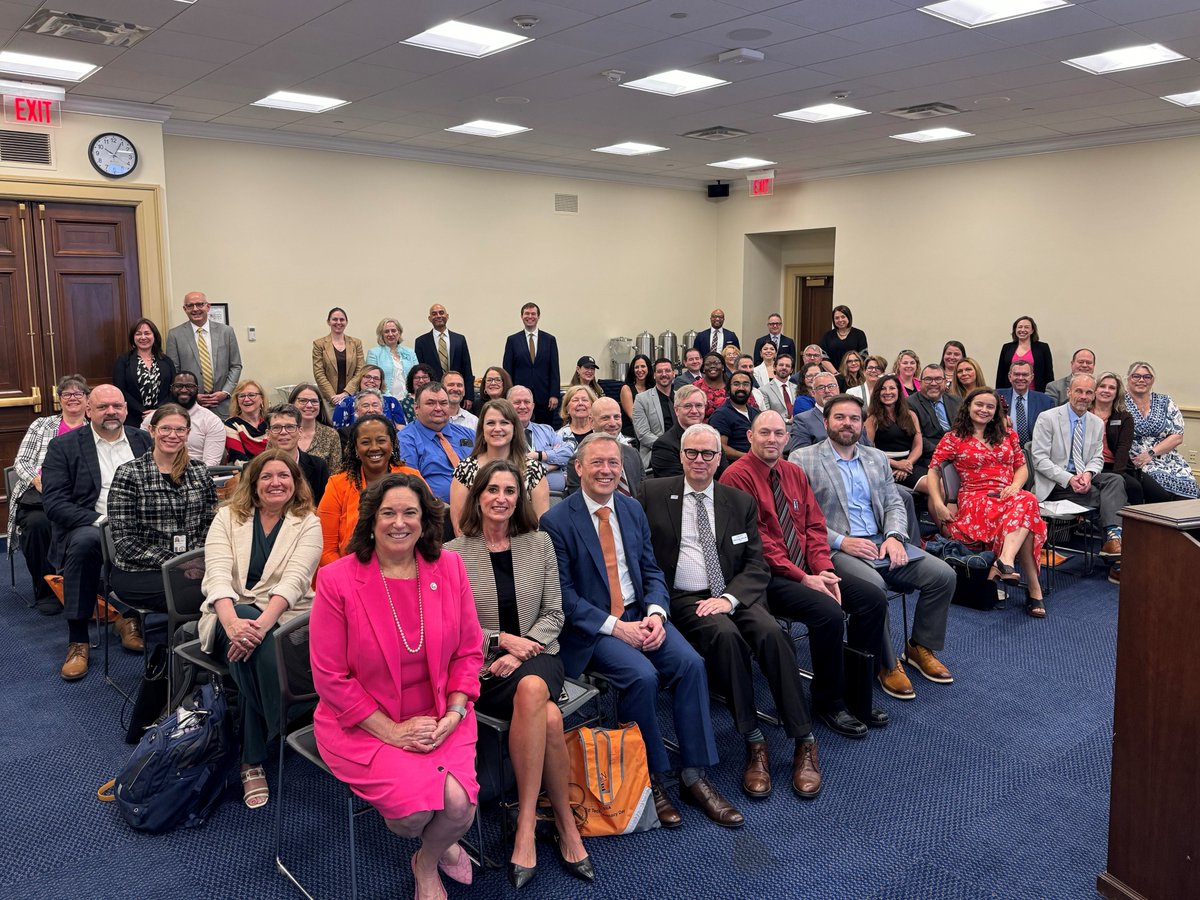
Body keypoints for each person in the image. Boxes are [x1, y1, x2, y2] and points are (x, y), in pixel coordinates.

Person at [542, 434, 739, 829]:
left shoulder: (632, 509)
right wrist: (618, 628)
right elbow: (564, 597)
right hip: (595, 629)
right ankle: (653, 777)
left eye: (614, 463)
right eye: (597, 463)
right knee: (642, 677)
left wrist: (655, 613)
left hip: (640, 614)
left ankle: (693, 775)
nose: (606, 471)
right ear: (578, 467)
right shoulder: (556, 521)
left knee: (691, 664)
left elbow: (651, 569)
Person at [310, 473, 482, 900]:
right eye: (388, 513)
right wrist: (393, 732)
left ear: (425, 521)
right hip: (365, 722)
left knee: (461, 808)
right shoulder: (337, 581)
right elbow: (330, 677)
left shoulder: (449, 566)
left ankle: (426, 862)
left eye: (410, 513)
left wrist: (455, 712)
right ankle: (432, 843)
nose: (399, 523)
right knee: (412, 814)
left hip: (442, 709)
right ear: (371, 521)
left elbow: (468, 651)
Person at [643, 425, 823, 801]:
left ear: (719, 458)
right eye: (692, 453)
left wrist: (730, 599)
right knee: (724, 637)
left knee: (774, 634)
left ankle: (803, 740)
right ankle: (754, 740)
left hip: (734, 594)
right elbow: (640, 556)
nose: (699, 461)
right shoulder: (654, 494)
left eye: (708, 454)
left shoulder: (737, 501)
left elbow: (757, 565)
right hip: (685, 597)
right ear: (680, 455)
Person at [447, 460, 594, 887]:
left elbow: (554, 612)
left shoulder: (540, 543)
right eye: (492, 489)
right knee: (547, 714)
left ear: (520, 498)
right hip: (484, 665)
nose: (501, 498)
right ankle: (565, 823)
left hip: (541, 654)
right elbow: (457, 626)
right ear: (478, 496)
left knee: (532, 684)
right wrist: (500, 642)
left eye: (510, 491)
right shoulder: (456, 552)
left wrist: (523, 647)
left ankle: (525, 824)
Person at [720, 411, 889, 738]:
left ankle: (858, 692)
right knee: (828, 611)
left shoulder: (794, 472)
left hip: (809, 568)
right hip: (766, 577)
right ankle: (828, 701)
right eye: (764, 433)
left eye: (778, 434)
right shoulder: (735, 477)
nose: (772, 439)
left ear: (786, 438)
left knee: (872, 598)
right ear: (750, 437)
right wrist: (804, 577)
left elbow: (814, 526)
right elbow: (758, 542)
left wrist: (823, 568)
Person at [795, 396, 956, 700]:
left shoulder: (875, 458)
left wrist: (895, 535)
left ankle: (919, 646)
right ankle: (885, 662)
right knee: (874, 588)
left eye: (854, 419)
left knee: (943, 575)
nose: (848, 424)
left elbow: (895, 502)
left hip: (882, 542)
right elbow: (800, 517)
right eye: (840, 417)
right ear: (826, 421)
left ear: (862, 424)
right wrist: (842, 542)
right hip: (838, 548)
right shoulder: (803, 459)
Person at [201, 449, 322, 809]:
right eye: (266, 476)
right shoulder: (227, 518)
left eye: (283, 476)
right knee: (241, 612)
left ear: (295, 483)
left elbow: (296, 582)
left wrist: (256, 628)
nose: (275, 483)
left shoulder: (308, 521)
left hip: (285, 616)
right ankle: (288, 719)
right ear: (253, 485)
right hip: (228, 615)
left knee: (248, 658)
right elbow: (217, 574)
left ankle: (252, 760)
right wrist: (234, 623)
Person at [41, 384, 152, 680]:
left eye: (117, 406)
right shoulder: (64, 446)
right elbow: (54, 504)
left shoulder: (143, 440)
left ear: (126, 410)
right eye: (103, 407)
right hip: (91, 524)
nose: (111, 412)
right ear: (89, 411)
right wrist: (103, 520)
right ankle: (78, 640)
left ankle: (129, 618)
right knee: (85, 545)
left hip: (141, 523)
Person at [927, 388, 1048, 617]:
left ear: (996, 412)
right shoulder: (953, 438)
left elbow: (1021, 467)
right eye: (979, 405)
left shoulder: (1008, 435)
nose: (984, 410)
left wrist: (1015, 486)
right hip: (975, 501)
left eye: (990, 407)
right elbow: (933, 471)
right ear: (968, 407)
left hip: (1007, 497)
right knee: (1028, 508)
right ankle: (1032, 589)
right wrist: (938, 503)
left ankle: (1006, 561)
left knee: (1024, 502)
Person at [107, 403, 218, 648]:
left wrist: (197, 560)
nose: (172, 435)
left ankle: (193, 653)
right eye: (166, 428)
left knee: (227, 587)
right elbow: (125, 542)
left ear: (188, 433)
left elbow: (211, 524)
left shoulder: (199, 472)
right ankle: (183, 660)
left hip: (195, 565)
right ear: (153, 431)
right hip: (139, 571)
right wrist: (178, 563)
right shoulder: (130, 474)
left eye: (180, 430)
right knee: (203, 595)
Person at [8, 374, 90, 614]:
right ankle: (47, 589)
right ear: (60, 399)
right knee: (38, 525)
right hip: (39, 493)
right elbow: (21, 461)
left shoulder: (94, 427)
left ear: (87, 400)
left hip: (80, 496)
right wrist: (37, 479)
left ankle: (81, 585)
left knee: (84, 526)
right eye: (67, 394)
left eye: (78, 394)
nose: (72, 398)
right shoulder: (42, 425)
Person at [1031, 374, 1126, 559]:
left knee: (1115, 480)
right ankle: (1115, 555)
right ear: (1069, 392)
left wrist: (1088, 474)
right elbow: (1039, 460)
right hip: (1056, 483)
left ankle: (1113, 543)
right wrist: (1069, 478)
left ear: (1094, 396)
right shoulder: (1048, 418)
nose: (1084, 396)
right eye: (1079, 391)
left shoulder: (1096, 423)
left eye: (1089, 392)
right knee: (1109, 499)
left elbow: (1097, 458)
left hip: (1083, 477)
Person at [319, 415, 422, 566]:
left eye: (381, 440)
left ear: (392, 444)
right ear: (355, 448)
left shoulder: (412, 477)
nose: (374, 447)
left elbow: (430, 530)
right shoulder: (337, 485)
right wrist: (347, 579)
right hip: (352, 575)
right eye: (365, 442)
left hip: (407, 569)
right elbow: (326, 550)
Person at [449, 398, 549, 534]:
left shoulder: (534, 470)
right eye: (490, 423)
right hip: (475, 550)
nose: (497, 428)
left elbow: (540, 526)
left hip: (524, 548)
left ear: (514, 429)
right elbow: (460, 527)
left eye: (504, 422)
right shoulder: (464, 469)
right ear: (482, 429)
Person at [395, 383, 476, 531]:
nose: (438, 408)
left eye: (443, 403)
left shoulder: (469, 434)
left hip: (481, 509)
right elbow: (411, 486)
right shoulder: (405, 439)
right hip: (438, 517)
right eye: (430, 403)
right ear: (416, 408)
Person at [1123, 361, 1200, 502]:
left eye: (1147, 377)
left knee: (1189, 487)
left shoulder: (1165, 401)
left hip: (1169, 459)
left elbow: (1178, 436)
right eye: (1136, 376)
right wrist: (1143, 457)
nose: (1141, 380)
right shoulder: (1120, 403)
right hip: (1136, 461)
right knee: (1158, 485)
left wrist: (1151, 453)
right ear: (1128, 378)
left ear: (1152, 380)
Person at [166, 291, 242, 418]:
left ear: (208, 306)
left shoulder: (226, 332)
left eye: (199, 304)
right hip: (190, 406)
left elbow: (236, 365)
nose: (195, 309)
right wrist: (192, 394)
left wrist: (225, 392)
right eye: (190, 306)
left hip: (223, 405)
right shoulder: (175, 335)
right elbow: (174, 371)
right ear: (185, 309)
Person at [563, 398, 646, 498]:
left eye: (616, 417)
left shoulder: (633, 453)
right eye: (605, 418)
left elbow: (644, 494)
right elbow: (579, 503)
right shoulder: (579, 459)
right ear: (591, 421)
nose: (613, 423)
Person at [650, 386, 729, 479]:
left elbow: (724, 476)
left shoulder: (713, 438)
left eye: (699, 405)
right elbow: (675, 485)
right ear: (676, 410)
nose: (694, 411)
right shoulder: (664, 445)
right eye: (687, 406)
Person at [502, 302, 561, 426]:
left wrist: (554, 394)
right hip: (520, 399)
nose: (530, 316)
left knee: (544, 430)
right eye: (527, 313)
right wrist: (508, 396)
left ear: (538, 317)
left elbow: (554, 369)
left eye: (533, 314)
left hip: (544, 398)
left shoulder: (550, 340)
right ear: (521, 316)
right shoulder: (512, 340)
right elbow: (507, 371)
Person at [865, 374, 926, 491]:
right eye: (883, 388)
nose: (888, 392)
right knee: (931, 486)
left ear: (898, 391)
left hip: (910, 464)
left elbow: (918, 446)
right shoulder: (872, 419)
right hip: (886, 467)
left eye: (892, 388)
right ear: (877, 393)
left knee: (940, 485)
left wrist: (907, 464)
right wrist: (896, 464)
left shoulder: (911, 415)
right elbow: (868, 452)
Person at [509, 385, 573, 494]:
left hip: (557, 499)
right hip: (522, 500)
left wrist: (539, 455)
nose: (523, 406)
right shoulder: (503, 435)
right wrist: (555, 464)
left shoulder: (547, 430)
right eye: (517, 402)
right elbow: (517, 469)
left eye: (527, 402)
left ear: (533, 406)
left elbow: (569, 453)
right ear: (508, 406)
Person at [1091, 372, 1141, 506]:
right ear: (1095, 389)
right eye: (1102, 386)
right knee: (1134, 489)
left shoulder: (1124, 417)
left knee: (1157, 494)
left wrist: (1118, 474)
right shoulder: (1084, 412)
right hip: (1089, 465)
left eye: (1112, 388)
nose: (1106, 390)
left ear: (1117, 393)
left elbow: (1123, 448)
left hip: (1114, 466)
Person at [113, 317, 174, 424]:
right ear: (133, 337)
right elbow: (120, 390)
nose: (143, 337)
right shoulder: (123, 361)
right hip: (133, 417)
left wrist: (158, 410)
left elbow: (174, 388)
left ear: (154, 336)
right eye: (138, 334)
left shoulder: (166, 361)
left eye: (147, 333)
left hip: (163, 416)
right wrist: (143, 411)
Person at [414, 303, 475, 411]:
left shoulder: (459, 339)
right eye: (434, 314)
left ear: (447, 316)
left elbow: (467, 368)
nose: (438, 316)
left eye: (441, 313)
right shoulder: (421, 342)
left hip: (456, 394)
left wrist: (469, 396)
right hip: (433, 394)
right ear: (429, 318)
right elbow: (421, 372)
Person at [266, 403, 330, 505]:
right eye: (277, 427)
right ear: (268, 434)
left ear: (300, 431)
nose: (283, 432)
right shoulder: (253, 468)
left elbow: (323, 507)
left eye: (290, 427)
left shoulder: (319, 466)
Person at [161, 371, 226, 466]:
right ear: (171, 389)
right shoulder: (155, 417)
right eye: (178, 386)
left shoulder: (211, 421)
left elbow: (211, 464)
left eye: (189, 386)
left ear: (197, 389)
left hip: (196, 475)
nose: (183, 390)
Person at [909, 364, 962, 473]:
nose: (933, 383)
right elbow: (917, 438)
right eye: (928, 379)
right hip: (929, 460)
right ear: (920, 382)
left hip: (960, 455)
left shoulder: (957, 402)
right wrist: (945, 452)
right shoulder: (909, 404)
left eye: (938, 379)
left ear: (945, 381)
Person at [311, 307, 364, 410]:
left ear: (346, 322)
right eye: (335, 319)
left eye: (342, 319)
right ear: (328, 322)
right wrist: (333, 397)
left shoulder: (356, 343)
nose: (338, 322)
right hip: (329, 400)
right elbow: (319, 373)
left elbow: (360, 371)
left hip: (352, 397)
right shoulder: (319, 344)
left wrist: (346, 393)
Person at [287, 383, 343, 474]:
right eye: (303, 400)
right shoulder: (281, 432)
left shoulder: (331, 435)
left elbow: (335, 473)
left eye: (314, 401)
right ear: (292, 403)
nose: (309, 405)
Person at [997, 359, 1053, 448]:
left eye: (1025, 375)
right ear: (1009, 377)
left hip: (1034, 451)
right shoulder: (996, 396)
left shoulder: (1045, 401)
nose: (1020, 378)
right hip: (1004, 449)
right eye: (1016, 374)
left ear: (1032, 377)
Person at [632, 358, 677, 469]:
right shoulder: (641, 399)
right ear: (654, 375)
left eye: (667, 371)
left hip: (683, 454)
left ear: (674, 374)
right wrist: (670, 447)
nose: (664, 374)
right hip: (656, 454)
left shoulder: (681, 398)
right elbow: (643, 435)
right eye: (659, 371)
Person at [365, 317, 419, 407]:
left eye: (393, 330)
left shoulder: (410, 352)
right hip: (385, 400)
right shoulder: (373, 353)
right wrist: (390, 398)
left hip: (410, 400)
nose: (390, 334)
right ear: (381, 334)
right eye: (386, 331)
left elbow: (417, 376)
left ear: (399, 332)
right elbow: (372, 380)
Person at [331, 366, 405, 428]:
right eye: (367, 377)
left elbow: (401, 429)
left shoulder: (392, 402)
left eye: (376, 378)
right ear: (360, 379)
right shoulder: (345, 403)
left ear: (381, 382)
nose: (372, 380)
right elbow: (338, 432)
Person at [995, 315, 1054, 392]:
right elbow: (1001, 374)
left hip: (1036, 393)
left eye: (1026, 327)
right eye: (1019, 327)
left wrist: (1049, 394)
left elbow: (1049, 373)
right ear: (1015, 329)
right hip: (1010, 393)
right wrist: (998, 394)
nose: (1022, 330)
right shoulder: (1007, 347)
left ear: (1032, 330)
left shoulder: (1042, 348)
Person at [786, 371, 840, 453]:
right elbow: (799, 455)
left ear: (838, 389)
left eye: (831, 386)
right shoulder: (802, 420)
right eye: (821, 387)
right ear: (813, 393)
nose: (827, 390)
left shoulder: (852, 416)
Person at [709, 371, 759, 462]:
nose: (741, 388)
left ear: (751, 388)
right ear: (728, 389)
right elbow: (721, 448)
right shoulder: (721, 415)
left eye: (746, 384)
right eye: (736, 384)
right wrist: (751, 458)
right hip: (738, 467)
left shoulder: (756, 413)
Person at [224, 379, 269, 463]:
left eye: (251, 395)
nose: (246, 399)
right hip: (246, 473)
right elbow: (239, 461)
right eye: (241, 396)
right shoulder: (231, 425)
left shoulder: (271, 421)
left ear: (262, 398)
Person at [819, 304, 868, 372]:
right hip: (833, 375)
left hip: (854, 375)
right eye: (837, 318)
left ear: (849, 317)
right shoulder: (827, 336)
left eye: (843, 317)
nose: (840, 320)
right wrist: (837, 374)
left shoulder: (859, 334)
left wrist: (849, 373)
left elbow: (863, 356)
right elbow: (823, 358)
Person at [619, 353, 653, 443]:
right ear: (632, 370)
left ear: (648, 368)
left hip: (651, 428)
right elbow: (633, 417)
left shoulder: (653, 388)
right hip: (632, 430)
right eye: (636, 367)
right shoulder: (626, 389)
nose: (640, 370)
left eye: (643, 366)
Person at [556, 385, 597, 451]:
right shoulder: (558, 436)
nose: (580, 403)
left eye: (585, 400)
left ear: (592, 405)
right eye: (575, 400)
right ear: (567, 408)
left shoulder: (602, 430)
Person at [759, 352, 795, 422]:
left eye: (787, 366)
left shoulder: (797, 388)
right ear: (775, 367)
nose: (784, 368)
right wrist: (787, 421)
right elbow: (766, 415)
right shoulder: (764, 390)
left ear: (791, 370)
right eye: (781, 365)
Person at [698, 352, 729, 421]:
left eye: (716, 363)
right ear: (703, 368)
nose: (712, 366)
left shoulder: (733, 386)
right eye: (708, 364)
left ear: (723, 367)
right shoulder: (696, 387)